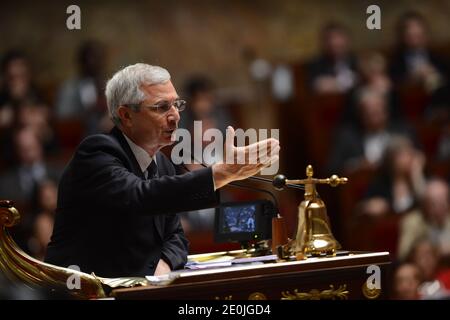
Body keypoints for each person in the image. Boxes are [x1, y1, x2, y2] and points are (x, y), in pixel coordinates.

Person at [45, 63, 279, 278]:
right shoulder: (97, 153)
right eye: (162, 107)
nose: (175, 116)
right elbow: (139, 197)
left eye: (176, 105)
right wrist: (220, 174)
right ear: (126, 115)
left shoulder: (163, 164)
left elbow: (176, 237)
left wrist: (164, 264)